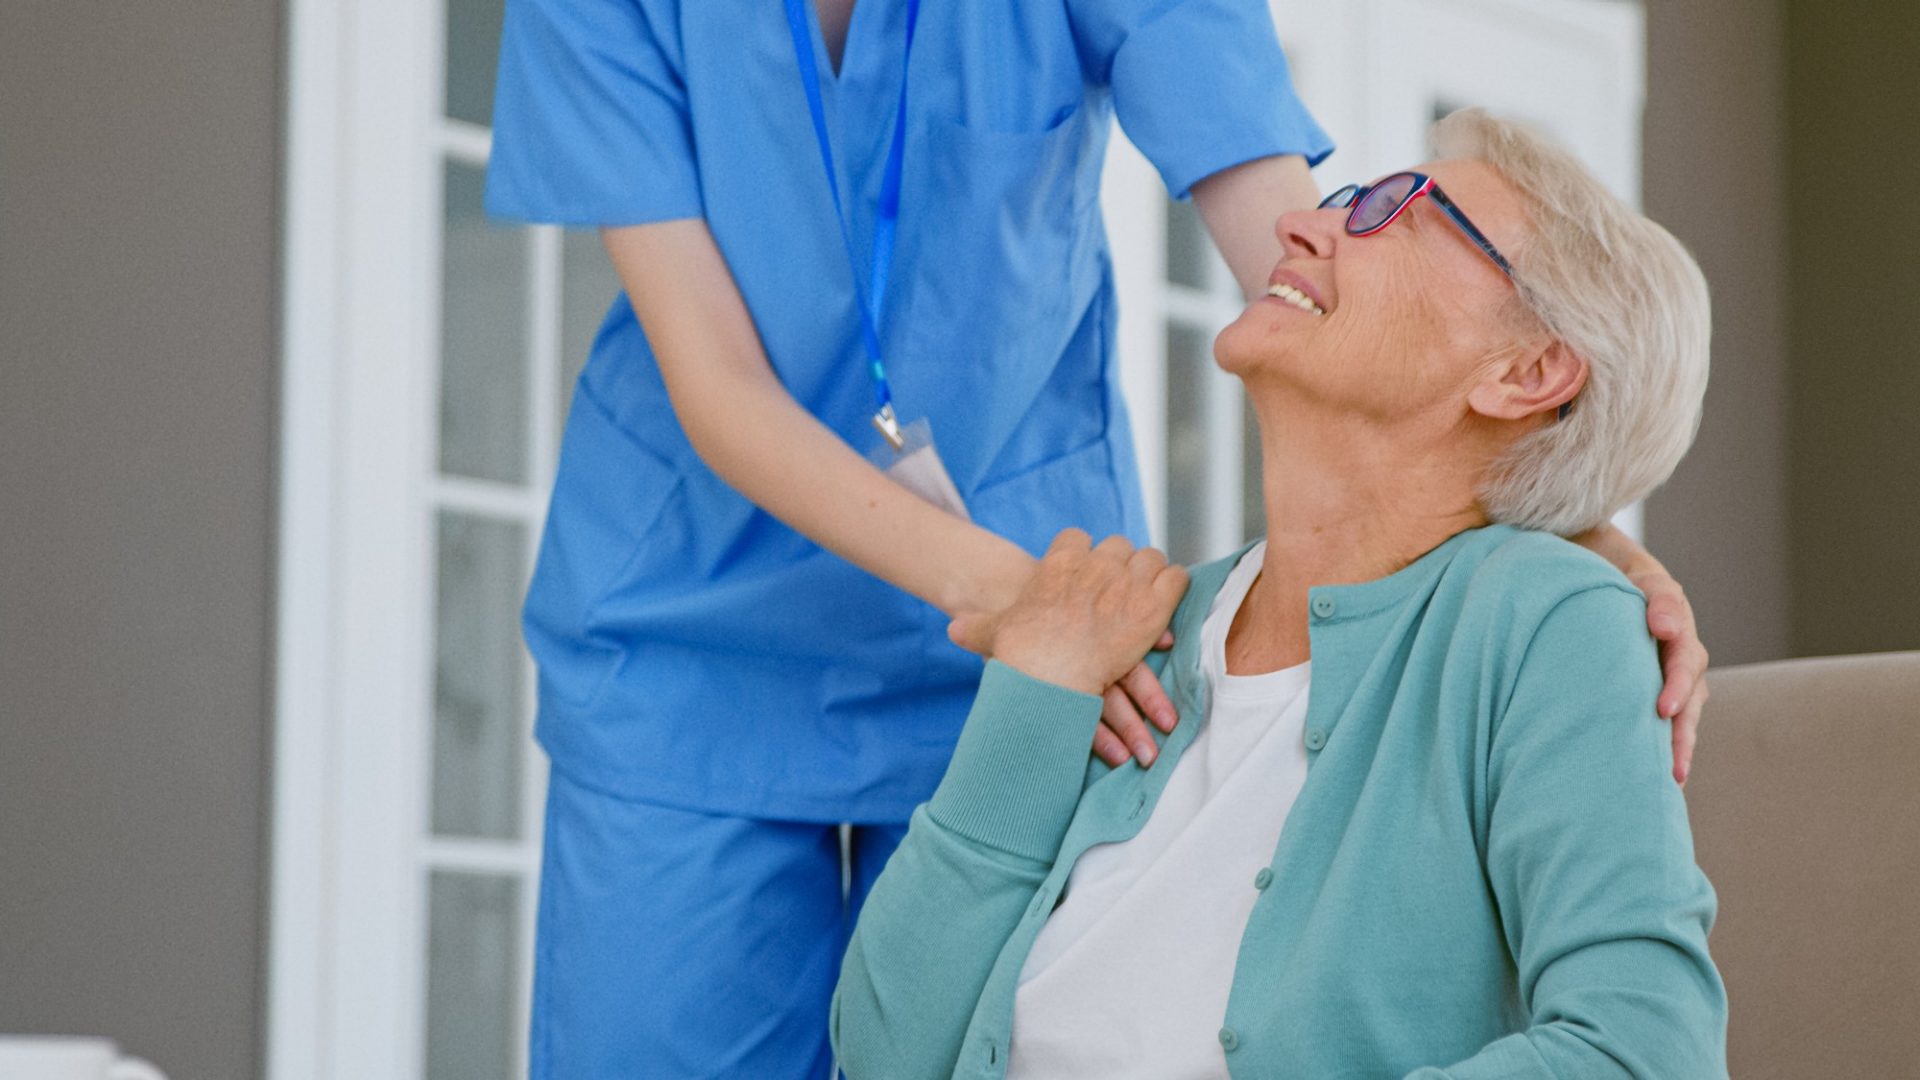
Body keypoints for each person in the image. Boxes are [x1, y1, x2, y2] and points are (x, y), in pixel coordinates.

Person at [485, 0, 1712, 1073]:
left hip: (1063, 653)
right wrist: (1035, 617)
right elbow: (723, 390)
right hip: (706, 632)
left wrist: (1571, 521)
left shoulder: (1535, 638)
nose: (1334, 223)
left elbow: (1309, 257)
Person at [833, 109, 1726, 1079]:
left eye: (1399, 209)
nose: (1299, 227)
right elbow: (883, 1053)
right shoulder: (1123, 634)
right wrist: (1032, 687)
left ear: (1529, 371)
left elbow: (1645, 1055)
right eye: (1344, 199)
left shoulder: (1540, 627)